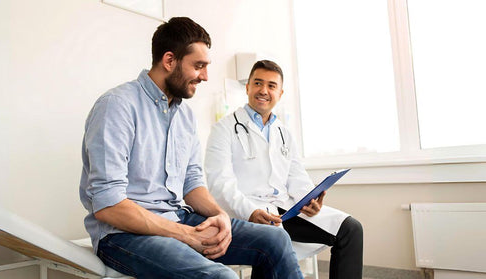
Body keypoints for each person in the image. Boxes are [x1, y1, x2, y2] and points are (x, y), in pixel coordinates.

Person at [79, 18, 303, 279]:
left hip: (177, 218)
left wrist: (221, 217)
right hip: (123, 236)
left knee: (275, 240)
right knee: (223, 277)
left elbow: (191, 183)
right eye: (199, 66)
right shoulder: (117, 106)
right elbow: (109, 205)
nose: (205, 76)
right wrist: (185, 235)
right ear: (169, 60)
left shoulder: (184, 116)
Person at [205, 60, 364, 279]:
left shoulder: (283, 132)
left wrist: (309, 199)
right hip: (247, 212)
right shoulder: (223, 129)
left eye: (271, 86)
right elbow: (219, 184)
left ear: (280, 93)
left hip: (284, 210)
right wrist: (249, 211)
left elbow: (296, 176)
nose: (263, 90)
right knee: (271, 241)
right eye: (258, 83)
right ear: (247, 87)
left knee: (350, 229)